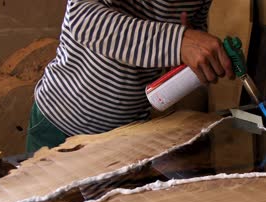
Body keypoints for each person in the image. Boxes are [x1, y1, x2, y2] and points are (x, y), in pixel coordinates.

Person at [26, 0, 234, 153]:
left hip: (126, 132)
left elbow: (191, 33)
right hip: (60, 122)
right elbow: (82, 17)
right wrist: (177, 41)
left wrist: (192, 57)